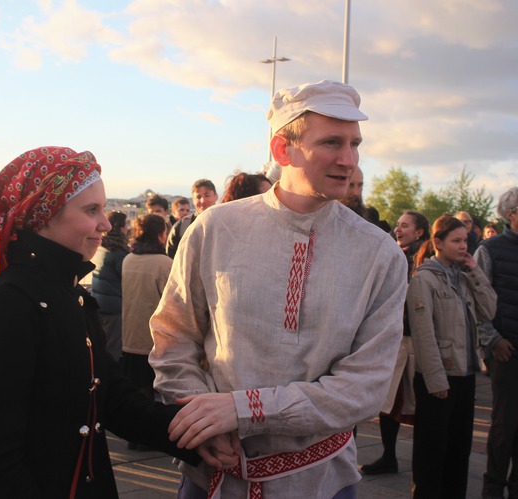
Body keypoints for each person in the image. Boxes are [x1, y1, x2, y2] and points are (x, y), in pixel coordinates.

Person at [150, 80, 408, 498]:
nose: (349, 160)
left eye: (355, 144)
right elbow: (173, 337)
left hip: (320, 479)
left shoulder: (380, 254)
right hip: (213, 476)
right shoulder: (215, 228)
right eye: (331, 143)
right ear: (282, 150)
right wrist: (198, 416)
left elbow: (364, 388)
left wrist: (242, 410)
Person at [0, 146, 231, 498]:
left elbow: (111, 396)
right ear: (43, 215)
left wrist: (190, 435)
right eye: (91, 210)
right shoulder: (8, 305)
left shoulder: (71, 295)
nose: (105, 223)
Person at [406, 215, 496, 498]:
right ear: (437, 243)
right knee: (431, 454)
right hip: (439, 379)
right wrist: (436, 379)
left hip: (466, 374)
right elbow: (424, 334)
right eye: (456, 241)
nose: (463, 247)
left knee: (459, 451)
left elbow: (490, 311)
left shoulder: (464, 276)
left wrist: (474, 271)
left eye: (466, 241)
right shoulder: (424, 279)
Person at [474, 187, 518, 499]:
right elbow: (476, 301)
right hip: (508, 355)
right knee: (504, 428)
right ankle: (493, 489)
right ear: (509, 214)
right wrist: (493, 340)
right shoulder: (490, 250)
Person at [361, 210, 430, 475]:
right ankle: (389, 456)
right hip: (396, 339)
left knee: (416, 403)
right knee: (389, 404)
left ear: (419, 232)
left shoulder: (421, 257)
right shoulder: (392, 252)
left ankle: (423, 463)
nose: (398, 229)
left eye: (405, 226)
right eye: (398, 225)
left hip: (414, 340)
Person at [121, 214, 172, 400]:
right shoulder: (164, 263)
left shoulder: (128, 259)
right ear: (160, 235)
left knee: (138, 393)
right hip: (154, 340)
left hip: (129, 337)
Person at [90, 210, 130, 362]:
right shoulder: (118, 253)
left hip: (99, 302)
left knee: (101, 345)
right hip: (114, 307)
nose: (127, 228)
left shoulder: (101, 247)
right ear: (120, 227)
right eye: (125, 224)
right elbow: (125, 278)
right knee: (113, 348)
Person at [165, 179, 218, 259]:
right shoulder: (182, 226)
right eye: (198, 197)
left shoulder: (226, 223)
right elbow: (170, 257)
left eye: (207, 195)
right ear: (193, 200)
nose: (203, 200)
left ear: (216, 196)